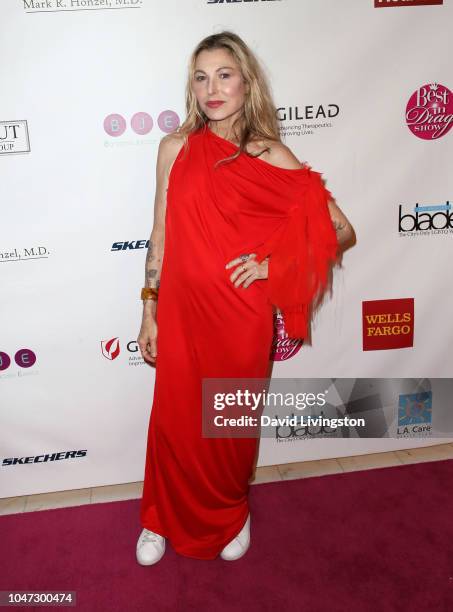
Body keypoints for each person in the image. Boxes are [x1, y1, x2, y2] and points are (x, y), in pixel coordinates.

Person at [136, 30, 354, 564]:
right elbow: (158, 236)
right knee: (173, 421)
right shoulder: (174, 148)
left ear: (246, 82)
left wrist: (272, 265)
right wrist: (148, 308)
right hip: (181, 312)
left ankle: (233, 510)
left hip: (240, 315)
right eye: (201, 76)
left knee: (229, 423)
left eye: (224, 75)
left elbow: (340, 230)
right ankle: (158, 519)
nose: (212, 88)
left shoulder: (269, 153)